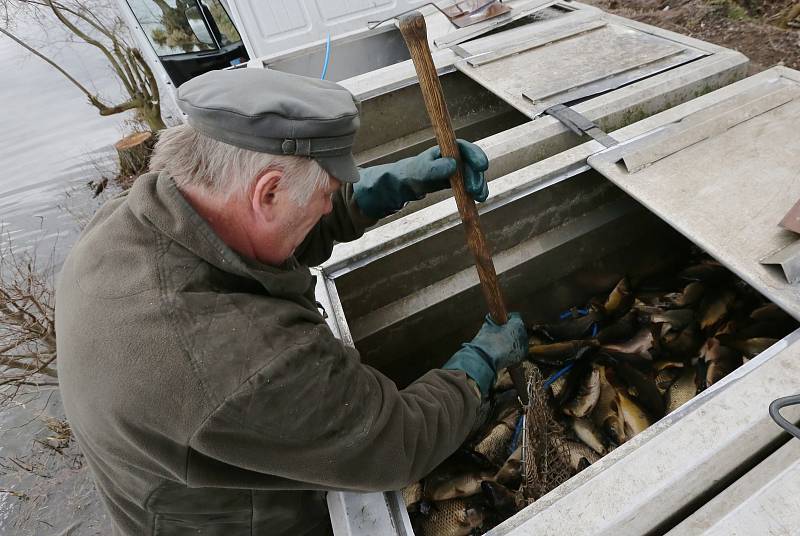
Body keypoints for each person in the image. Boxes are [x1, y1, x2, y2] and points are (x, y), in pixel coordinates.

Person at [55, 67, 527, 536]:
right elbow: (396, 443)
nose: (329, 205)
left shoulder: (139, 217)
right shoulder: (237, 357)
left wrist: (391, 187)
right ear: (269, 192)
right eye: (327, 195)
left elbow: (263, 237)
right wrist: (479, 364)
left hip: (178, 474)